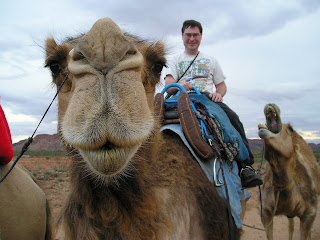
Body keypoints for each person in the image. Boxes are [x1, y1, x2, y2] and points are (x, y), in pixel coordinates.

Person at [164, 19, 262, 188]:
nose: (192, 38)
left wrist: (218, 94)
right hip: (181, 97)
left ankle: (245, 166)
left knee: (231, 118)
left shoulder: (211, 60)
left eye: (195, 35)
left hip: (207, 98)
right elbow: (168, 85)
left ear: (201, 36)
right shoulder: (174, 60)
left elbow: (221, 85)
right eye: (188, 35)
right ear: (182, 36)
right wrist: (181, 86)